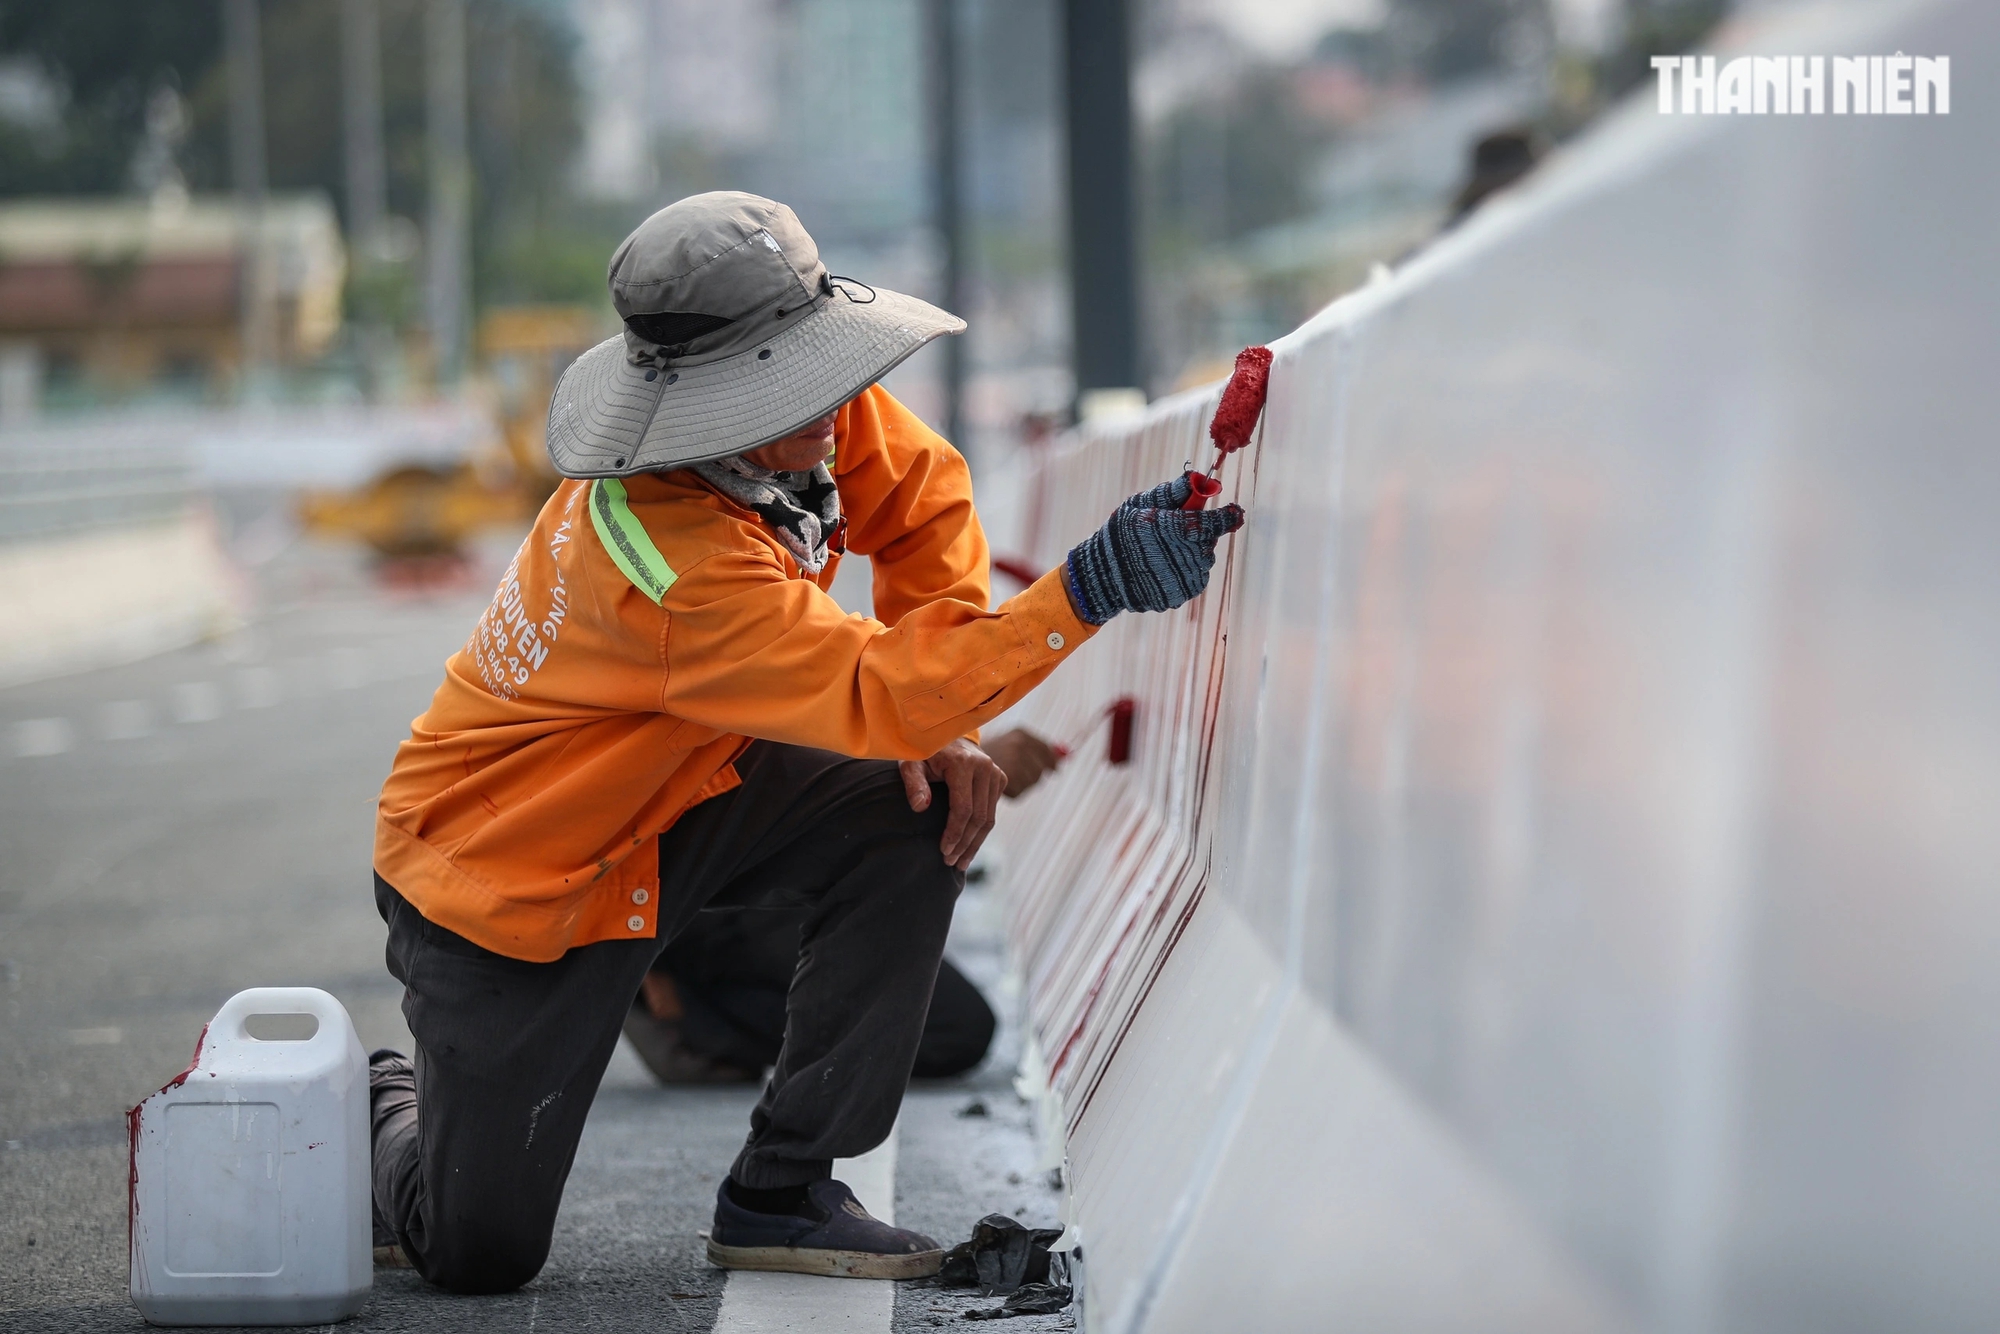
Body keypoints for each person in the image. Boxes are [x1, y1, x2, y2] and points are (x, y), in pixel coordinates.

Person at [365, 191, 1243, 1294]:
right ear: (711, 410)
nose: (834, 405)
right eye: (791, 383)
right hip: (510, 879)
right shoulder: (671, 563)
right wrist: (1089, 586)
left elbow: (926, 506)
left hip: (680, 793)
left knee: (911, 802)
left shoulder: (809, 417)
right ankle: (385, 1104)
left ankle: (783, 1187)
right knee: (476, 1251)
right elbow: (879, 691)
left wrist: (951, 730)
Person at [621, 727, 1065, 1084]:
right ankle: (669, 992)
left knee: (947, 1021)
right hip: (693, 851)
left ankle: (675, 980)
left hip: (754, 827)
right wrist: (955, 753)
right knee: (952, 1029)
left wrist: (957, 743)